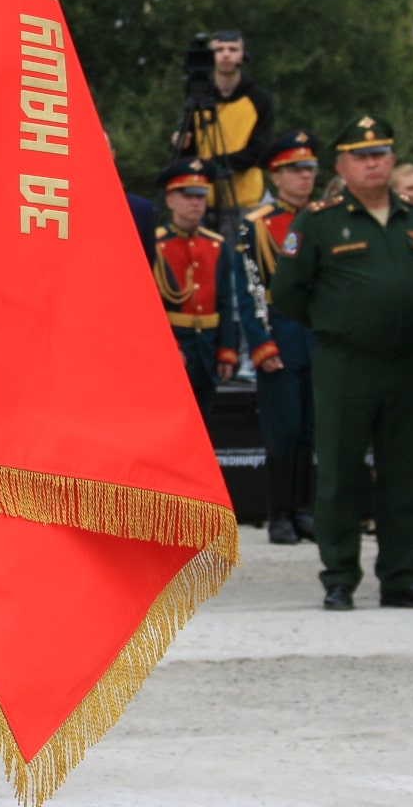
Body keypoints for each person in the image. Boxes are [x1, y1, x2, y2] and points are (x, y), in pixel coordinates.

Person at [273, 115, 413, 611]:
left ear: (393, 160)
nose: (374, 163)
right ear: (341, 165)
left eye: (381, 154)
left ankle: (400, 578)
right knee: (340, 472)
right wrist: (338, 323)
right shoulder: (320, 220)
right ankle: (339, 577)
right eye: (361, 156)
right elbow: (288, 292)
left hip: (409, 362)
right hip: (346, 362)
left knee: (405, 472)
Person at [239, 131, 321, 545]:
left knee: (311, 427)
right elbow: (249, 287)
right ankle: (280, 514)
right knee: (283, 427)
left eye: (309, 169)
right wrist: (260, 342)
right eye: (295, 170)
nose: (305, 177)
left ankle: (304, 509)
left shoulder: (323, 217)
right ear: (276, 176)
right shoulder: (256, 225)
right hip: (280, 329)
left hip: (318, 333)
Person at [152, 159, 276, 431]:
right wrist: (170, 347)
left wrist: (227, 351)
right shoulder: (158, 244)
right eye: (187, 196)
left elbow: (224, 301)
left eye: (200, 196)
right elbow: (151, 307)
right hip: (177, 345)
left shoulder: (216, 245)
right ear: (171, 199)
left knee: (204, 426)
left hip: (207, 346)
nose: (195, 203)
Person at [173, 30, 275, 212]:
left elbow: (260, 150)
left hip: (246, 199)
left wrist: (215, 165)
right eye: (219, 50)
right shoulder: (197, 95)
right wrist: (182, 144)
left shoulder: (258, 98)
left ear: (244, 56)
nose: (226, 55)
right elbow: (191, 148)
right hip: (203, 199)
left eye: (233, 49)